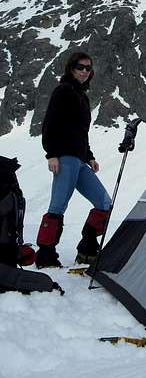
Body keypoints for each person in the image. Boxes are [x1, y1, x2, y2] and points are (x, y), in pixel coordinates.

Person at [35, 52, 111, 268]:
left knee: (104, 202)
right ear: (71, 68)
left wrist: (90, 156)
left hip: (79, 160)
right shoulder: (63, 91)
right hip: (65, 158)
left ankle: (87, 246)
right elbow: (50, 124)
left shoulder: (81, 96)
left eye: (88, 68)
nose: (85, 71)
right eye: (80, 67)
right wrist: (51, 154)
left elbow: (80, 132)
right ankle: (45, 255)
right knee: (58, 206)